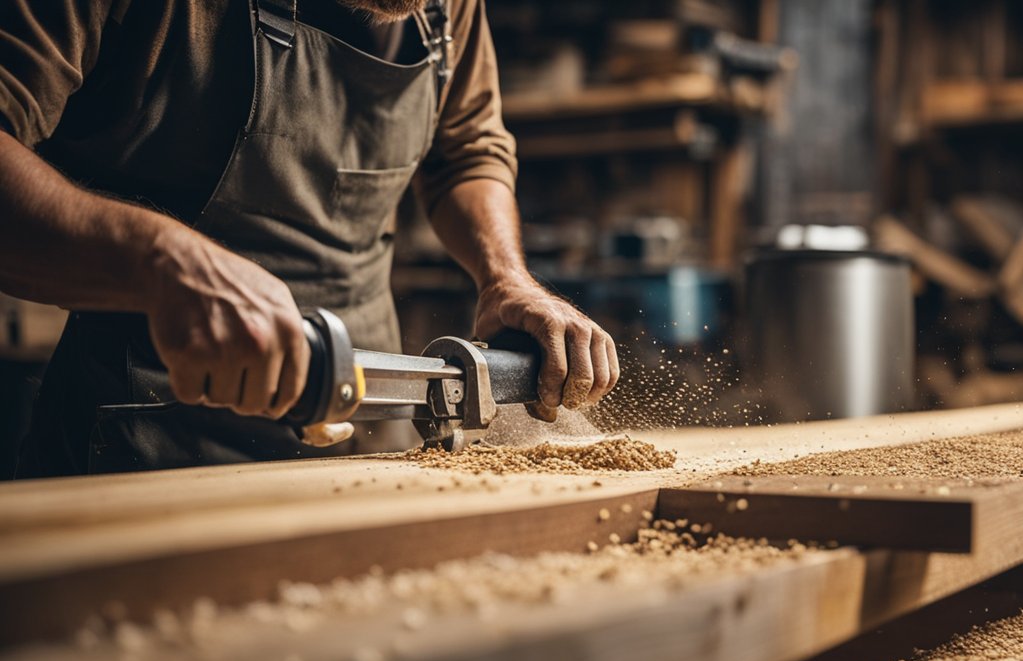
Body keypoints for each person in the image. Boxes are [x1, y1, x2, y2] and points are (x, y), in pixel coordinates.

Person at [0, 0, 619, 477]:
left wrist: (504, 275)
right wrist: (161, 262)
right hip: (146, 440)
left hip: (373, 435)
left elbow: (466, 150)